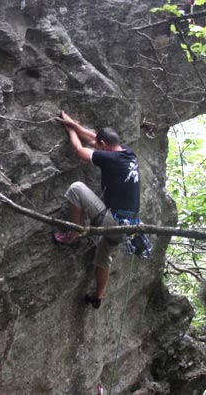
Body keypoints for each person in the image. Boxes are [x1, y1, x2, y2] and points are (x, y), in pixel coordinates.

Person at [53, 111, 141, 309]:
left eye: (97, 146)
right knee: (103, 256)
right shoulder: (127, 152)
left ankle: (74, 232)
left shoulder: (111, 159)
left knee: (76, 188)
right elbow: (92, 137)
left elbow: (78, 148)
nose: (94, 145)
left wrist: (69, 129)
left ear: (104, 146)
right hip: (128, 225)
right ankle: (99, 296)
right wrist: (73, 123)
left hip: (114, 221)